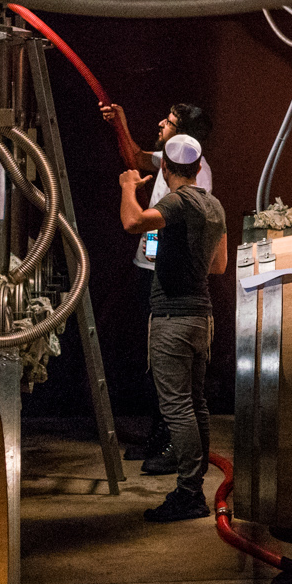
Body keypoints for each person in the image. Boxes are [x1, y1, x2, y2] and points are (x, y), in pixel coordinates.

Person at [119, 133, 227, 523]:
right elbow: (219, 266)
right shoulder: (213, 205)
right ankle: (193, 487)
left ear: (165, 168)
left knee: (177, 407)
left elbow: (133, 221)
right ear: (198, 167)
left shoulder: (177, 201)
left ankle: (188, 493)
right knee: (196, 404)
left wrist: (128, 187)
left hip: (172, 319)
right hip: (203, 316)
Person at [102, 100, 215, 472]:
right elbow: (134, 154)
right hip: (163, 277)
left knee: (173, 377)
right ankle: (166, 446)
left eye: (167, 123)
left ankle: (175, 455)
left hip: (172, 287)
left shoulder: (192, 190)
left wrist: (127, 188)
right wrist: (121, 121)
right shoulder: (178, 165)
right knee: (167, 373)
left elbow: (133, 221)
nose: (161, 125)